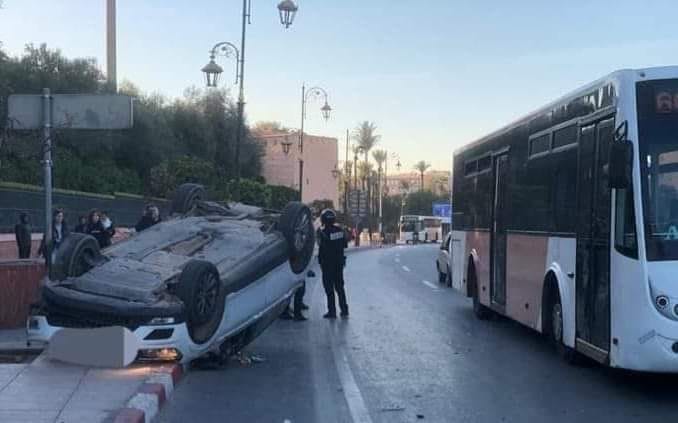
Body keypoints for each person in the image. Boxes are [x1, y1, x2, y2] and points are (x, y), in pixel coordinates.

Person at [317, 209, 349, 318]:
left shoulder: (323, 233)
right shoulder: (340, 230)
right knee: (340, 287)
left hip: (327, 264)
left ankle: (332, 311)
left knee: (329, 289)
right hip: (339, 263)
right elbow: (345, 244)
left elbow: (320, 247)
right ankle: (344, 309)